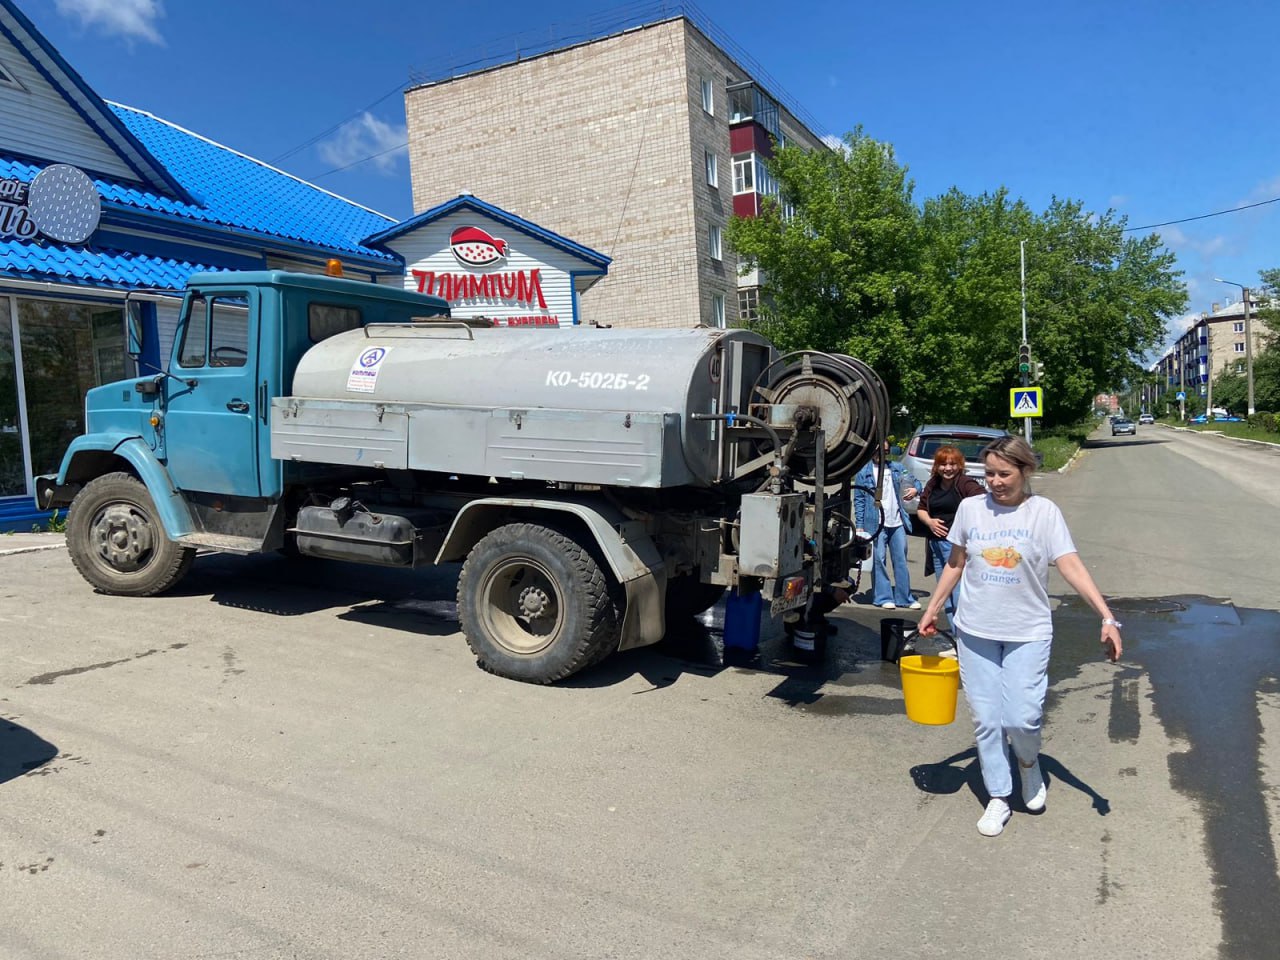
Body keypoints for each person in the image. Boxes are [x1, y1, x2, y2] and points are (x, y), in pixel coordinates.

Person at [918, 435, 1122, 838]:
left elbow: (1071, 566)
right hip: (975, 629)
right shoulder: (971, 509)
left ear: (1025, 471)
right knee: (987, 721)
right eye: (989, 473)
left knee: (1022, 717)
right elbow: (956, 562)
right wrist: (932, 608)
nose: (994, 481)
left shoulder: (1043, 513)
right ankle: (998, 795)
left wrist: (1107, 617)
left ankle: (1030, 766)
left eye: (1004, 474)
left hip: (1028, 632)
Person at [915, 445, 985, 624]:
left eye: (952, 464)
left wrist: (965, 527)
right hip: (935, 544)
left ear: (959, 465)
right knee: (943, 593)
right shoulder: (933, 483)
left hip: (955, 546)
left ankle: (964, 639)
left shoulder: (965, 483)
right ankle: (955, 638)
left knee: (958, 593)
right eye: (943, 464)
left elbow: (983, 502)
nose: (947, 468)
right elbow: (921, 509)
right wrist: (929, 522)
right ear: (936, 466)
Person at [854, 444, 919, 610]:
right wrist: (860, 526)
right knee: (879, 559)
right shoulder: (864, 473)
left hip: (897, 522)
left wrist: (915, 489)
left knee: (901, 560)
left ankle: (905, 598)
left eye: (885, 451)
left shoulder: (897, 468)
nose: (881, 454)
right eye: (877, 451)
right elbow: (859, 500)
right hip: (875, 523)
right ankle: (883, 597)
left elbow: (915, 482)